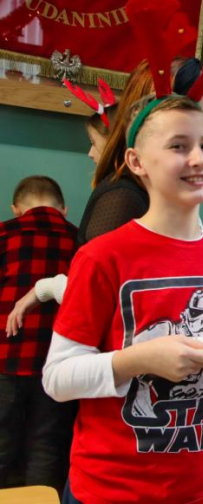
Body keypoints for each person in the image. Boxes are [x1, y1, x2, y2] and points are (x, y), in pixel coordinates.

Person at [43, 93, 203, 504]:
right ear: (136, 162)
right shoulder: (101, 257)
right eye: (178, 146)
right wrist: (140, 359)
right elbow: (57, 378)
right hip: (114, 491)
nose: (199, 159)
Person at [0, 177, 78, 493]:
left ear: (16, 209)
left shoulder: (4, 234)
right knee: (47, 446)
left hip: (5, 361)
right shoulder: (81, 240)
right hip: (58, 365)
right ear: (63, 209)